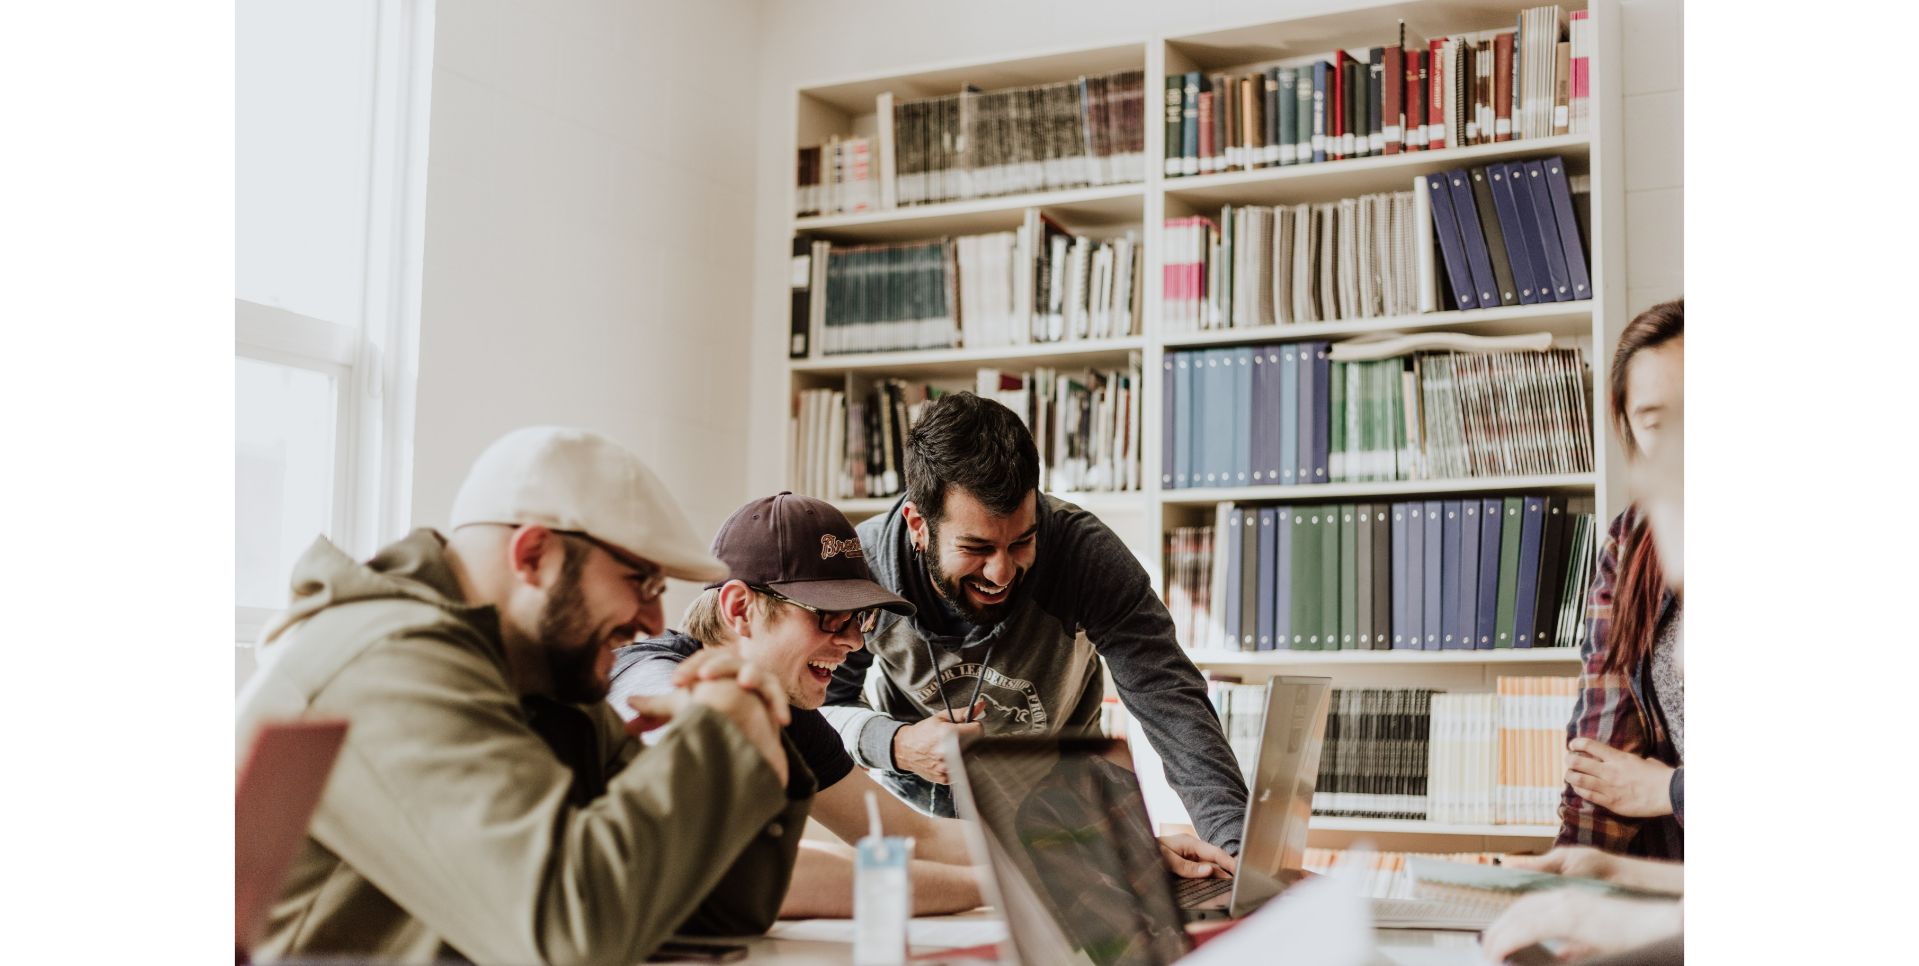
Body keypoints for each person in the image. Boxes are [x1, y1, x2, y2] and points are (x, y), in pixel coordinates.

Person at [234, 427, 810, 964]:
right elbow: (568, 934)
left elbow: (711, 912)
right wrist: (719, 738)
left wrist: (754, 738)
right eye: (641, 581)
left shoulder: (541, 679)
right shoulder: (388, 665)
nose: (654, 619)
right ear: (533, 555)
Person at [609, 491, 1236, 918]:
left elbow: (908, 835)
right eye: (829, 617)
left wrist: (1105, 852)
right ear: (741, 608)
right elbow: (758, 870)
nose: (854, 641)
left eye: (859, 620)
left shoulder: (788, 710)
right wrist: (1038, 882)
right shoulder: (652, 681)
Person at [822, 391, 1252, 856]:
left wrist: (1236, 853)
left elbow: (1172, 703)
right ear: (918, 525)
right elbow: (820, 710)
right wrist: (897, 745)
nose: (1001, 573)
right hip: (917, 825)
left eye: (1022, 541)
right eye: (976, 548)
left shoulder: (1085, 556)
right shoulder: (864, 570)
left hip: (1064, 816)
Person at [1557, 299, 1686, 859]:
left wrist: (1668, 789)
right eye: (1658, 424)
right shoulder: (1634, 541)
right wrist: (1572, 872)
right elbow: (1601, 756)